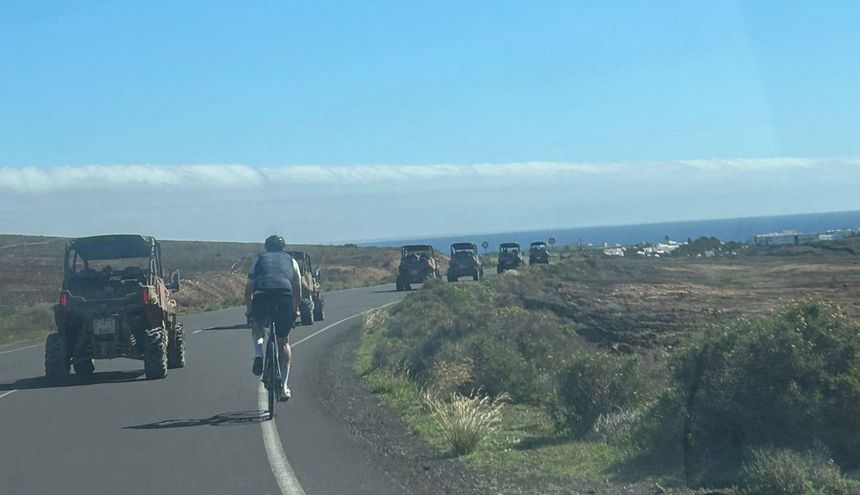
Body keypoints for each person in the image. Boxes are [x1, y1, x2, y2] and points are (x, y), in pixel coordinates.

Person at [245, 234, 301, 400]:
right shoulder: (292, 261)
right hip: (284, 296)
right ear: (283, 248)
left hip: (262, 295)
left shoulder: (259, 259)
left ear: (266, 247)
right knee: (283, 342)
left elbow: (248, 289)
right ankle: (284, 386)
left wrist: (249, 310)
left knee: (258, 325)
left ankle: (258, 354)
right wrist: (295, 310)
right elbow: (297, 289)